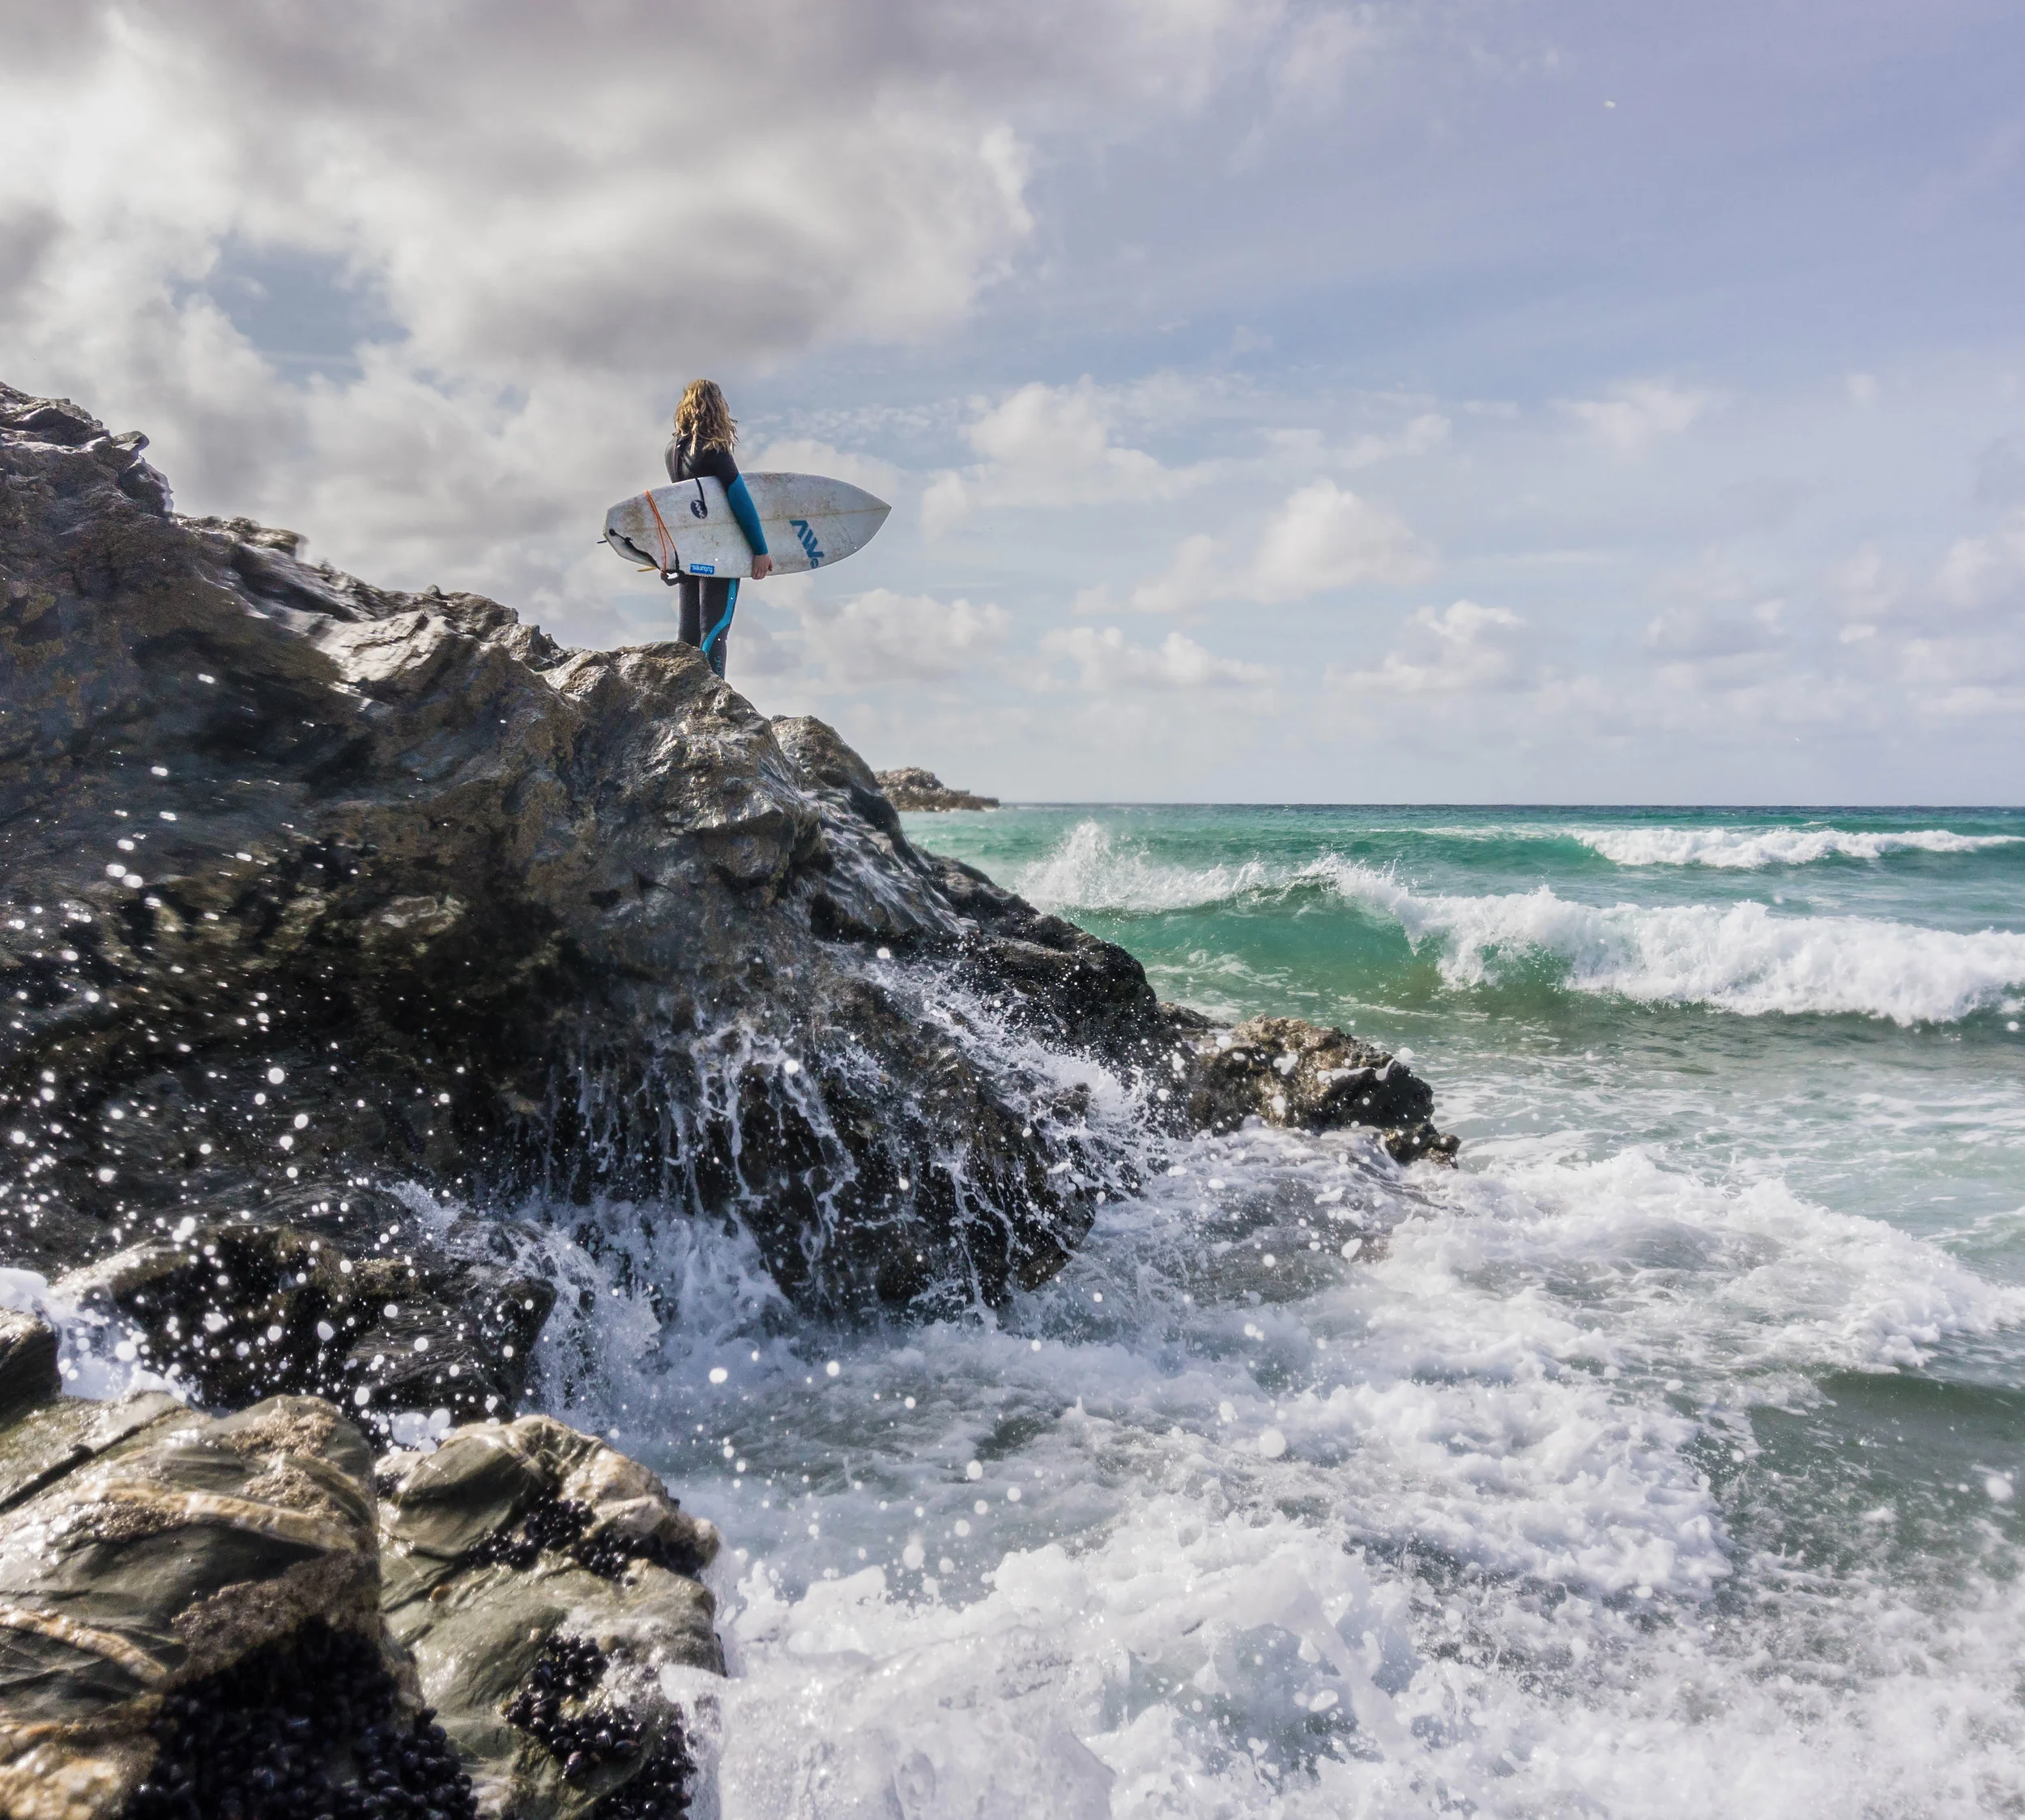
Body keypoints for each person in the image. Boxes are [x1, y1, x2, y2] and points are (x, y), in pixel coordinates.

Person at [664, 379, 772, 679]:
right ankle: (715, 698)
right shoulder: (715, 450)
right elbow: (741, 501)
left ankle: (683, 696)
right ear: (717, 407)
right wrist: (760, 550)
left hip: (688, 552)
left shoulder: (671, 452)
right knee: (715, 628)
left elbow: (678, 507)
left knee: (687, 634)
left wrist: (670, 557)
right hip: (720, 553)